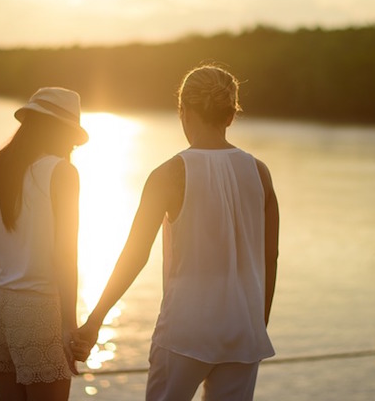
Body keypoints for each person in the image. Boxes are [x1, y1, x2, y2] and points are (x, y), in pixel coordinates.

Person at [73, 65, 279, 401]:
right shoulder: (260, 172)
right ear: (230, 116)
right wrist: (257, 323)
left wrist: (94, 320)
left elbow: (135, 254)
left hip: (186, 331)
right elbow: (270, 256)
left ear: (183, 112)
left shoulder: (168, 174)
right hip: (243, 332)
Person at [0, 87, 88, 401]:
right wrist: (69, 324)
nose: (72, 147)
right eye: (71, 138)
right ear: (60, 130)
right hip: (38, 309)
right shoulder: (62, 173)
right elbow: (65, 255)